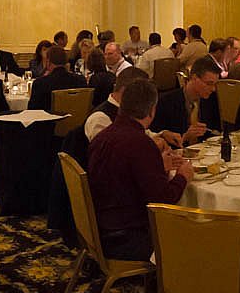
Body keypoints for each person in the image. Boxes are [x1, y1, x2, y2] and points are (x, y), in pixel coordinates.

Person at [86, 77, 194, 261]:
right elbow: (163, 200)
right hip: (126, 238)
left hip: (100, 227)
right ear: (152, 111)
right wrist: (183, 176)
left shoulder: (103, 136)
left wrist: (158, 166)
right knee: (195, 234)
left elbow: (123, 176)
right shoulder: (140, 143)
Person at [150, 55, 221, 146]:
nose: (213, 89)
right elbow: (157, 140)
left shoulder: (211, 100)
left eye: (215, 84)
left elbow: (215, 131)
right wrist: (185, 137)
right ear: (194, 78)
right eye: (209, 84)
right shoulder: (166, 102)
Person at [83, 67, 150, 144]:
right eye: (142, 94)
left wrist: (159, 136)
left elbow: (143, 133)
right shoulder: (100, 118)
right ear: (124, 91)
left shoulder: (129, 111)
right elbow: (110, 149)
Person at [29, 46, 82, 112]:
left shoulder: (40, 84)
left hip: (49, 118)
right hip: (77, 117)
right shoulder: (80, 80)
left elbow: (32, 111)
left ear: (48, 62)